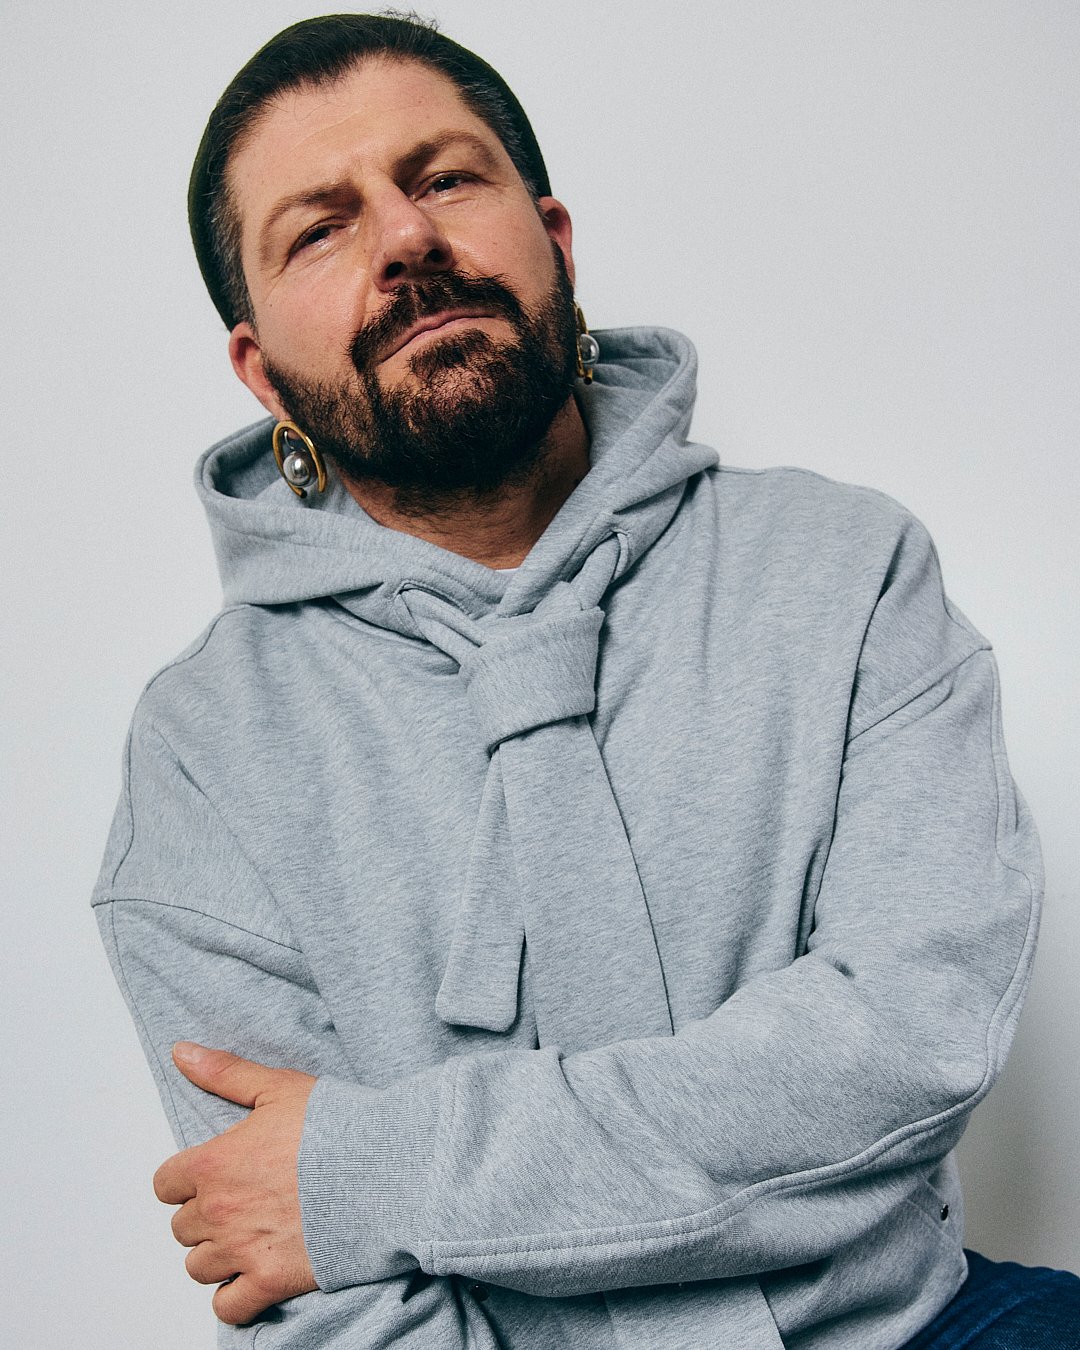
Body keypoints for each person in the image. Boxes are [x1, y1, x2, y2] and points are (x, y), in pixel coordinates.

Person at [92, 13, 1079, 1349]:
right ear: (262, 371)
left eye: (445, 178)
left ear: (554, 241)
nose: (406, 239)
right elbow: (308, 1282)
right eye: (318, 229)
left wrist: (372, 1172)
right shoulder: (201, 753)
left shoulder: (849, 570)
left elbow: (908, 1046)